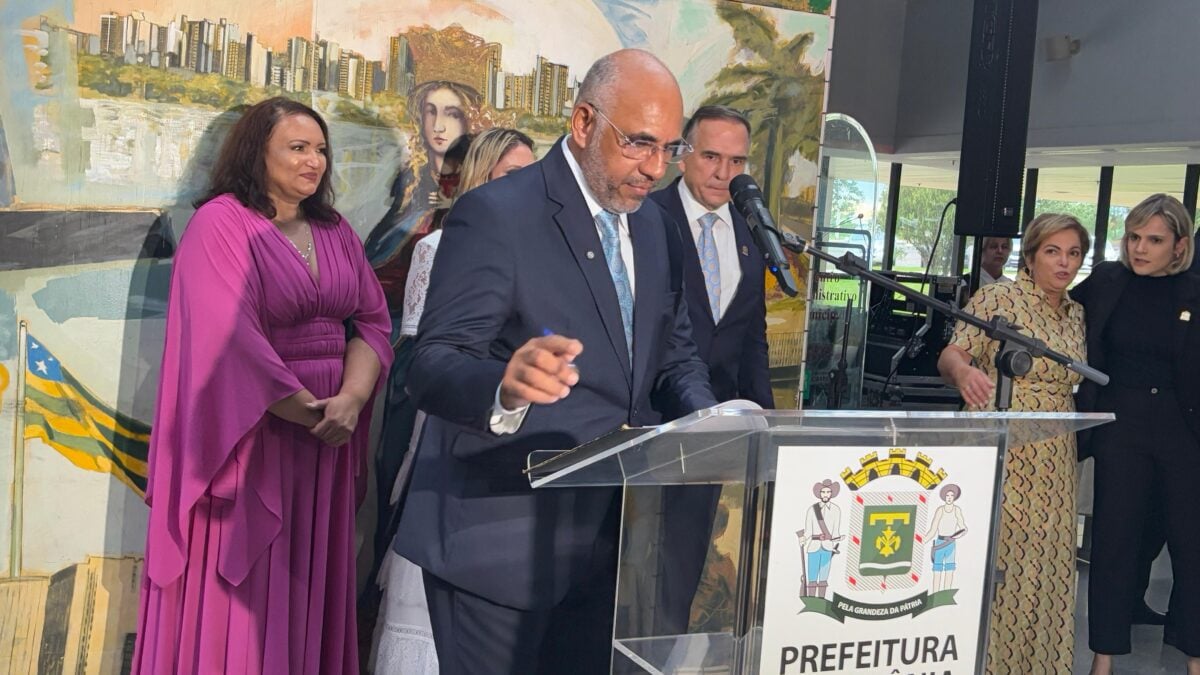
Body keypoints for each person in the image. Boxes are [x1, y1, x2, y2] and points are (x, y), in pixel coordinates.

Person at [393, 49, 717, 674]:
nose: (655, 168)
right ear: (584, 123)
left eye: (669, 149)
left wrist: (714, 422)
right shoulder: (498, 215)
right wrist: (504, 388)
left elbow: (673, 355)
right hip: (500, 545)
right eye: (640, 144)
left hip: (616, 550)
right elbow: (429, 364)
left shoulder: (655, 228)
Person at [132, 97, 393, 674]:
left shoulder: (335, 228)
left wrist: (349, 401)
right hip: (253, 435)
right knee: (247, 591)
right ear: (257, 152)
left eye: (321, 149)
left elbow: (372, 322)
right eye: (298, 148)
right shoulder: (220, 223)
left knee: (305, 584)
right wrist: (314, 414)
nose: (315, 161)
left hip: (326, 436)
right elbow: (229, 339)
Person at [368, 127, 536, 675]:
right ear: (480, 177)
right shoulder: (439, 247)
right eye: (513, 174)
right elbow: (423, 359)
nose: (528, 186)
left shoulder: (545, 252)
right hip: (450, 432)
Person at [937, 213, 1089, 674]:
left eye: (1074, 253)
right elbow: (952, 354)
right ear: (1030, 256)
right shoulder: (1000, 297)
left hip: (1056, 456)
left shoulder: (1076, 312)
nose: (1064, 263)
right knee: (999, 565)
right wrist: (964, 373)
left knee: (1048, 570)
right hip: (1002, 445)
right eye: (1053, 251)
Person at [646, 105, 771, 633]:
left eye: (737, 160)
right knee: (623, 572)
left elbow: (751, 338)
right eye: (712, 156)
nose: (724, 172)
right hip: (644, 423)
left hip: (710, 439)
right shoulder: (646, 216)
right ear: (683, 156)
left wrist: (767, 424)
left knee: (679, 571)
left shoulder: (751, 229)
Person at [1072, 193, 1200, 675]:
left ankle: (1195, 658)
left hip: (1183, 429)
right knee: (1114, 541)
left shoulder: (1196, 290)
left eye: (1154, 240)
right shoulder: (1108, 280)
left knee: (1192, 545)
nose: (1139, 248)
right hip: (1119, 424)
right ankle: (1102, 658)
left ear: (1180, 245)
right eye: (1133, 237)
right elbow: (1057, 313)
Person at [797, 479, 842, 599]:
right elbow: (808, 531)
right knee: (812, 577)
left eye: (828, 492)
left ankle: (821, 600)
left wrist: (837, 540)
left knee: (823, 577)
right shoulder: (812, 510)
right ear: (820, 493)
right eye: (823, 492)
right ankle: (811, 600)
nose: (826, 494)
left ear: (832, 493)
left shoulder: (836, 510)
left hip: (827, 546)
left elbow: (836, 531)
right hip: (814, 546)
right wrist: (803, 539)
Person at [926, 483, 967, 593]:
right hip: (940, 543)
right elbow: (933, 529)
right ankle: (935, 595)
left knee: (949, 570)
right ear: (944, 497)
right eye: (947, 496)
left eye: (951, 496)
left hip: (951, 544)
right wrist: (922, 541)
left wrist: (955, 536)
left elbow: (963, 528)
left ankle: (946, 595)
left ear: (954, 497)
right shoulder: (940, 510)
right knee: (937, 570)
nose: (949, 498)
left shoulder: (957, 510)